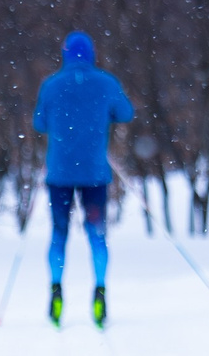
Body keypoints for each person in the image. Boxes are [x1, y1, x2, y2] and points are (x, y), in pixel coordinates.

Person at [31, 31, 134, 327]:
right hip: (94, 173)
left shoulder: (51, 85)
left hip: (60, 172)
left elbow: (39, 122)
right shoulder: (106, 82)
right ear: (91, 54)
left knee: (59, 234)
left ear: (65, 54)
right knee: (96, 234)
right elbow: (125, 113)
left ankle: (56, 288)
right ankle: (100, 289)